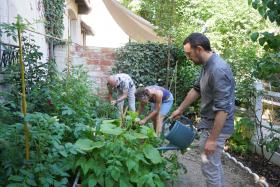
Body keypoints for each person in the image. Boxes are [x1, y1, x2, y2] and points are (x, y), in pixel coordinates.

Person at [170, 33, 235, 187]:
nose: (188, 57)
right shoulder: (207, 66)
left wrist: (212, 139)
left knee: (209, 168)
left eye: (188, 54)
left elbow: (223, 109)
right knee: (212, 166)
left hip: (216, 127)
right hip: (209, 124)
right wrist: (180, 109)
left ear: (199, 49)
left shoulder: (218, 69)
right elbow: (196, 90)